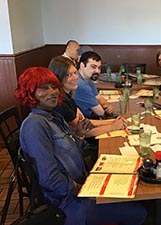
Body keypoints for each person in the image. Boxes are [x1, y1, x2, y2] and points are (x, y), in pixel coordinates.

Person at [15, 67, 147, 225]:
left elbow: (69, 153)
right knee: (139, 212)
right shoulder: (34, 125)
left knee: (133, 183)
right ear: (29, 92)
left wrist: (79, 135)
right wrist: (83, 189)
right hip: (65, 203)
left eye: (54, 86)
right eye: (43, 88)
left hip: (81, 184)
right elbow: (49, 179)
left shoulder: (54, 116)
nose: (52, 92)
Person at [48, 56, 128, 168]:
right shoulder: (61, 103)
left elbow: (85, 122)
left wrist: (114, 122)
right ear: (58, 77)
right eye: (68, 75)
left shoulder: (68, 95)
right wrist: (113, 126)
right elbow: (84, 131)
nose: (75, 77)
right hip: (75, 153)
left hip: (78, 144)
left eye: (75, 73)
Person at [73, 51, 114, 119]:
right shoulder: (81, 84)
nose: (97, 71)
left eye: (99, 68)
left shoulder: (88, 78)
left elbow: (99, 97)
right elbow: (100, 112)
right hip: (86, 123)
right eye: (93, 67)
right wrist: (107, 109)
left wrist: (107, 105)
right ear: (82, 65)